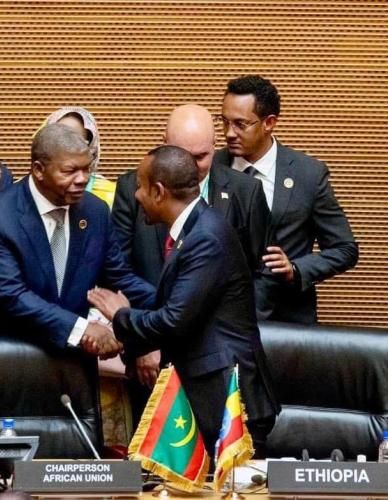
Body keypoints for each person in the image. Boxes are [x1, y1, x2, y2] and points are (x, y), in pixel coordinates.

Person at [89, 145, 280, 458]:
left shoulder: (205, 237)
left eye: (140, 186)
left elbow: (173, 320)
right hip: (206, 395)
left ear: (159, 191)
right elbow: (179, 305)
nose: (136, 195)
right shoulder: (193, 229)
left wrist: (121, 315)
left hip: (228, 402)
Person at [112, 104, 270, 415]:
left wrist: (122, 317)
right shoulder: (193, 221)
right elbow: (121, 268)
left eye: (199, 157)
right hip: (181, 369)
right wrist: (146, 344)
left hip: (221, 392)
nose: (189, 167)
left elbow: (179, 315)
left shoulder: (207, 233)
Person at [0, 123, 155, 358]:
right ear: (39, 170)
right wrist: (80, 329)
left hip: (74, 361)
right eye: (70, 171)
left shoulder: (95, 211)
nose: (82, 179)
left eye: (86, 169)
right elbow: (11, 294)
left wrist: (172, 305)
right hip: (13, 359)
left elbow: (119, 277)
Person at [219, 75, 359, 324]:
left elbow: (344, 249)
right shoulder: (211, 168)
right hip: (221, 320)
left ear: (269, 123)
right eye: (224, 122)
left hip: (287, 320)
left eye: (240, 124)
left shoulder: (308, 175)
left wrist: (295, 269)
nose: (229, 133)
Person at [35, 106, 116, 208]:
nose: (67, 148)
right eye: (59, 140)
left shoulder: (110, 198)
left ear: (91, 148)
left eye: (77, 142)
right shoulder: (22, 194)